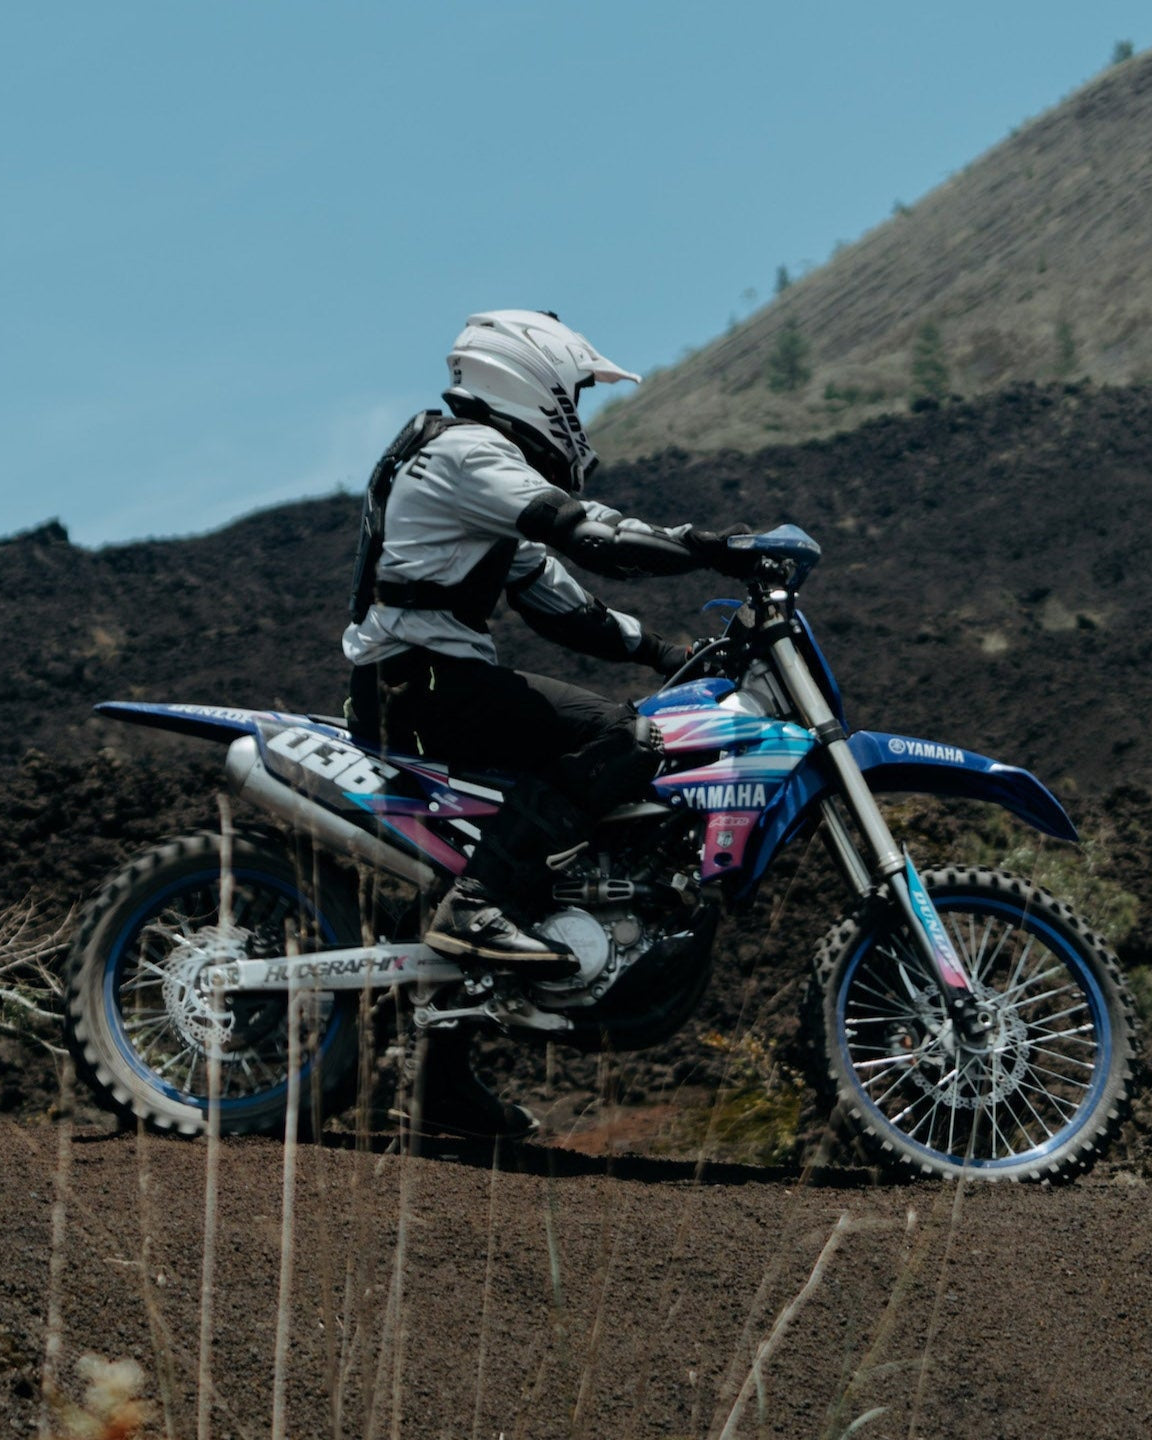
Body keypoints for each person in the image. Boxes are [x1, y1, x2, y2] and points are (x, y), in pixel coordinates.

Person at [342, 309, 753, 1138]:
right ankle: (477, 905)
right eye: (576, 398)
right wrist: (707, 546)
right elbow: (586, 535)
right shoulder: (468, 454)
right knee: (623, 739)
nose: (579, 419)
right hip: (421, 687)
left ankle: (439, 1084)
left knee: (561, 784)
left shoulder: (474, 474)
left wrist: (668, 652)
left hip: (427, 685)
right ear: (534, 384)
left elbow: (559, 598)